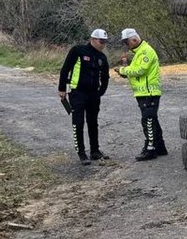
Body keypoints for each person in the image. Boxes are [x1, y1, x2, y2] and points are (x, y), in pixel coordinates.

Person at [58, 28, 111, 165]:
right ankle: (81, 153)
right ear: (92, 39)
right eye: (101, 41)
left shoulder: (102, 57)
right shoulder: (78, 51)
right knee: (78, 122)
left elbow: (105, 76)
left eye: (105, 42)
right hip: (77, 93)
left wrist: (101, 91)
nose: (103, 44)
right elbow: (65, 69)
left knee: (93, 122)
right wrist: (62, 88)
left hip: (93, 94)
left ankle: (95, 151)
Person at [114, 27, 167, 161]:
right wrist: (124, 71)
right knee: (152, 119)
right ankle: (160, 147)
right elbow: (135, 70)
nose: (127, 45)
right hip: (144, 92)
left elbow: (140, 70)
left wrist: (123, 70)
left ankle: (150, 149)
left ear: (134, 39)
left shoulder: (145, 51)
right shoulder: (139, 52)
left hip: (149, 92)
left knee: (148, 120)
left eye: (127, 42)